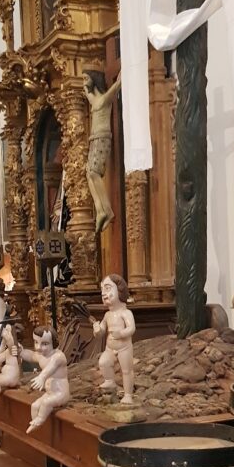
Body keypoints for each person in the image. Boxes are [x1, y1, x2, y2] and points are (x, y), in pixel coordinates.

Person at [84, 70, 120, 234]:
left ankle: (106, 210)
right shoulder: (94, 100)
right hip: (94, 138)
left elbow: (118, 85)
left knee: (94, 172)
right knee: (88, 172)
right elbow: (87, 93)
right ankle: (101, 209)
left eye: (86, 78)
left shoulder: (105, 99)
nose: (84, 81)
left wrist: (122, 71)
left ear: (94, 79)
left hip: (102, 138)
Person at [93, 274, 136, 405]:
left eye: (107, 288)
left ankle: (128, 394)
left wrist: (121, 333)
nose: (103, 293)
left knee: (126, 371)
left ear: (120, 290)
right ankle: (110, 381)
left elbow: (131, 328)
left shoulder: (125, 313)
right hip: (110, 348)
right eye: (102, 290)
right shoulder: (107, 315)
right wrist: (97, 330)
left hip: (124, 348)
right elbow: (101, 332)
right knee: (104, 361)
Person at [22, 326, 70, 433]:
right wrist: (20, 351)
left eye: (44, 344)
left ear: (54, 343)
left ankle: (40, 420)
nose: (39, 347)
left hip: (61, 393)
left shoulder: (58, 356)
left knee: (46, 403)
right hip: (49, 392)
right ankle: (36, 426)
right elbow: (31, 355)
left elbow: (50, 369)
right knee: (34, 405)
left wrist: (41, 377)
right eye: (36, 342)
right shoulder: (41, 355)